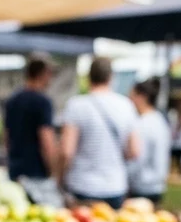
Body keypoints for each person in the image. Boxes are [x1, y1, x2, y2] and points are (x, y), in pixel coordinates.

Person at [59, 56, 139, 209]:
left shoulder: (76, 105)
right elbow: (134, 151)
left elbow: (66, 151)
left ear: (89, 77)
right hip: (115, 186)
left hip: (82, 186)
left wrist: (59, 179)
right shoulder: (126, 105)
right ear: (111, 77)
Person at [4, 56, 57, 182]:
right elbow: (46, 140)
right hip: (36, 172)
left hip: (15, 168)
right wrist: (54, 172)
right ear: (42, 74)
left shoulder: (12, 100)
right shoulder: (43, 102)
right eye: (49, 74)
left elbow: (6, 137)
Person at [127, 78, 171, 204]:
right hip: (157, 186)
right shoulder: (159, 120)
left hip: (142, 187)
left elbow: (137, 158)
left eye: (132, 96)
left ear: (141, 97)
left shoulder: (142, 124)